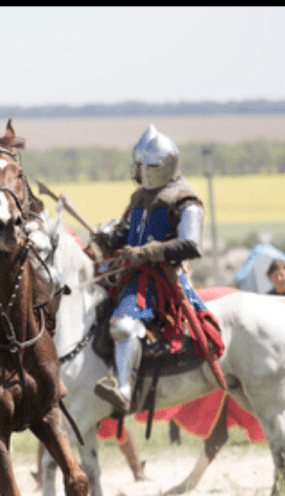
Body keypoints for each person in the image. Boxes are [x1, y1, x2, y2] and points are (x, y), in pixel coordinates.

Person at [91, 124, 222, 415]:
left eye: (140, 166)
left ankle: (124, 389)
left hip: (161, 279)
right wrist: (108, 238)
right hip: (130, 275)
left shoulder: (185, 201)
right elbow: (126, 233)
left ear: (155, 167)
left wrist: (148, 252)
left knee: (124, 325)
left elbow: (190, 245)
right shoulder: (139, 197)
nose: (135, 171)